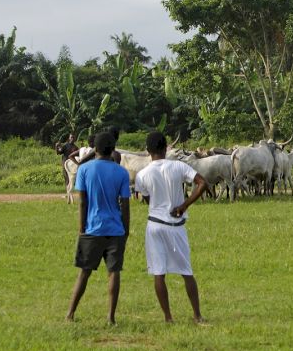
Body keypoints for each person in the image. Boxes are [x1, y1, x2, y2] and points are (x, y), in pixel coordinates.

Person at [134, 131, 208, 323]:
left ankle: (168, 317)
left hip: (155, 225)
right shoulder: (178, 166)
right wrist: (184, 205)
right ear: (166, 147)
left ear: (148, 150)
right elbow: (202, 183)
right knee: (186, 271)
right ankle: (197, 315)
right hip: (176, 225)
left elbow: (146, 197)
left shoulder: (142, 174)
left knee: (159, 272)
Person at [65, 131, 130, 324]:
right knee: (114, 273)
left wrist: (81, 228)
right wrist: (125, 230)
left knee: (84, 272)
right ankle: (110, 317)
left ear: (95, 149)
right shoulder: (121, 172)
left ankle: (70, 313)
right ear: (113, 150)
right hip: (115, 229)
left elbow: (83, 202)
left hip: (92, 228)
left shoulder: (85, 170)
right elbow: (125, 205)